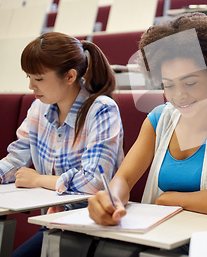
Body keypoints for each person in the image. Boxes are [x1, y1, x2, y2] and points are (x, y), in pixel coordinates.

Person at [87, 13, 207, 234]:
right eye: (168, 85)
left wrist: (169, 199)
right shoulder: (158, 119)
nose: (179, 96)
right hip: (163, 238)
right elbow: (124, 179)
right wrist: (112, 200)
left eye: (190, 82)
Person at [0, 32, 124, 257]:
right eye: (28, 77)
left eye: (38, 79)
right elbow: (15, 160)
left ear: (69, 76)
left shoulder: (102, 109)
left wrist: (38, 180)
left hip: (95, 227)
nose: (31, 86)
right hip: (55, 223)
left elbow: (94, 183)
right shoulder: (40, 107)